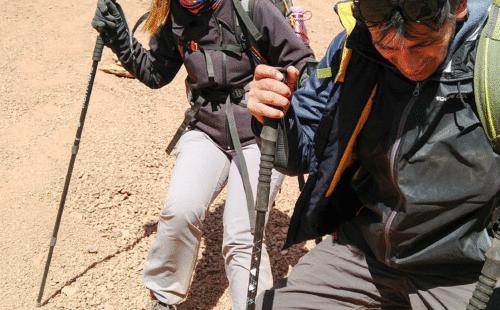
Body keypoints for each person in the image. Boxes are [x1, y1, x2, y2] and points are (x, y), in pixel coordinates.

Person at [247, 0, 500, 308]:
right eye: (388, 47)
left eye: (423, 44)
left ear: (458, 7)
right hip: (365, 251)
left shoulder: (492, 58)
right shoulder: (354, 47)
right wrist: (277, 119)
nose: (408, 63)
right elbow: (304, 152)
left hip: (462, 270)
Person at [90, 0, 315, 309]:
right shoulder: (172, 12)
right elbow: (156, 72)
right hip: (206, 129)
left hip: (262, 133)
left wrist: (295, 116)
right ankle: (164, 295)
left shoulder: (254, 7)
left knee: (242, 233)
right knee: (180, 210)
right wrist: (118, 37)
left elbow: (303, 65)